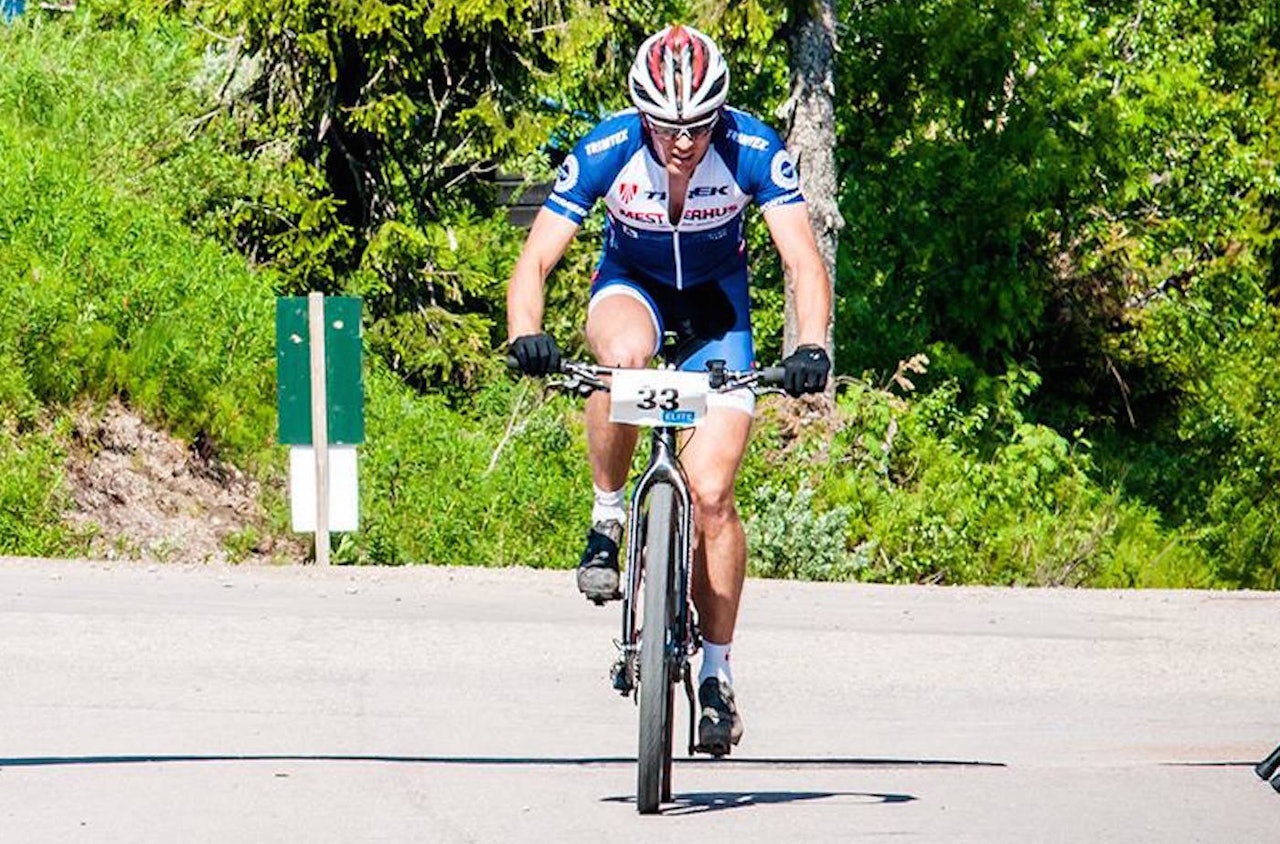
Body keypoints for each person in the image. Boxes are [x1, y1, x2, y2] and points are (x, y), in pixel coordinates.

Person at [506, 24, 831, 756]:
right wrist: (526, 332)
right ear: (642, 113)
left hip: (718, 313)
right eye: (667, 124)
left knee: (712, 495)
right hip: (635, 290)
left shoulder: (752, 150)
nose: (683, 140)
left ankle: (716, 676)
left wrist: (810, 345)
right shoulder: (606, 149)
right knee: (622, 356)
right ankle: (609, 514)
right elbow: (535, 262)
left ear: (718, 111)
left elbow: (803, 262)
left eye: (697, 123)